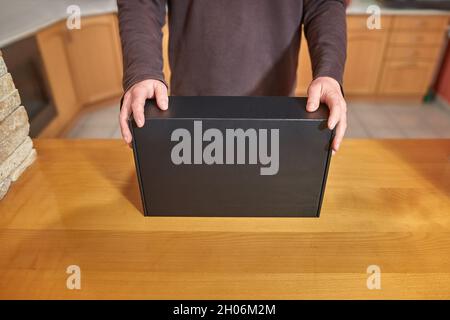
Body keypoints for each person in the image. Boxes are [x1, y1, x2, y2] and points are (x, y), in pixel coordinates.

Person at [117, 0, 347, 153]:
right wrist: (143, 69)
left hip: (275, 107)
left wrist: (329, 71)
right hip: (190, 109)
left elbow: (324, 3)